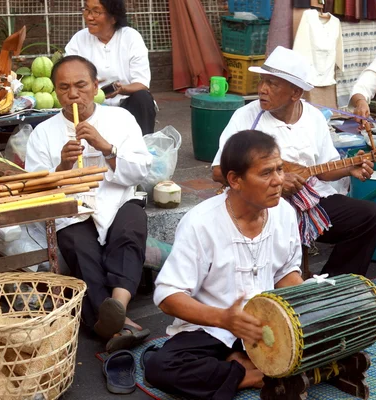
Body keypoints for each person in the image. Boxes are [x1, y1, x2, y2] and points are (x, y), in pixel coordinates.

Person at [145, 130, 304, 399]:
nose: (279, 181)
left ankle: (241, 362)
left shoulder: (284, 212)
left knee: (333, 336)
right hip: (212, 329)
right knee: (162, 366)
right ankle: (244, 373)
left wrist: (304, 309)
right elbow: (167, 296)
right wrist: (224, 319)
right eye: (266, 173)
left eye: (280, 169)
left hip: (266, 327)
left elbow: (286, 271)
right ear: (235, 180)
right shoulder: (201, 223)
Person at [211, 46, 376, 277]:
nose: (262, 89)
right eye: (262, 81)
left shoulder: (313, 118)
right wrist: (275, 180)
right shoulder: (246, 117)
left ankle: (334, 286)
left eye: (272, 84)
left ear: (295, 93)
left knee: (369, 216)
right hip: (264, 203)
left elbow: (323, 170)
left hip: (311, 200)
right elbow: (218, 171)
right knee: (281, 218)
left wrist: (347, 168)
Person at [25, 55, 153, 351]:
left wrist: (106, 148)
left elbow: (141, 171)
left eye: (81, 85)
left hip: (119, 200)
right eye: (64, 87)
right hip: (72, 212)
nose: (73, 94)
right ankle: (121, 325)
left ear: (96, 86)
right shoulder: (43, 132)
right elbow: (37, 191)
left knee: (130, 229)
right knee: (81, 248)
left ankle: (117, 306)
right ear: (56, 91)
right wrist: (62, 166)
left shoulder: (120, 119)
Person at [65, 0, 156, 135]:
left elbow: (142, 83)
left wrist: (121, 89)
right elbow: (68, 73)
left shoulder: (130, 37)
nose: (89, 17)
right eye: (87, 10)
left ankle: (142, 149)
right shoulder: (79, 39)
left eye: (96, 12)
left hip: (126, 103)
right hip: (91, 105)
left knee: (142, 98)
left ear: (113, 17)